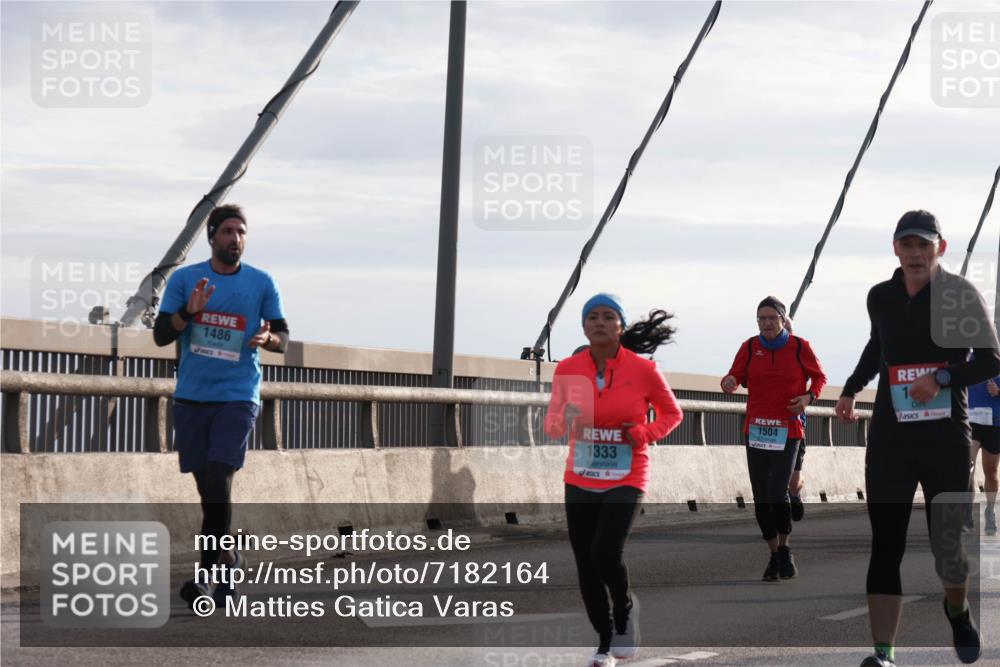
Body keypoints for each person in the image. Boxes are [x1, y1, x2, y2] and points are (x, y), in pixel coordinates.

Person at [835, 210, 1000, 667]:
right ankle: (883, 654)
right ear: (895, 249)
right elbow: (878, 346)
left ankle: (957, 609)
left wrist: (942, 377)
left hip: (945, 438)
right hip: (891, 439)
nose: (915, 253)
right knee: (886, 543)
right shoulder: (881, 297)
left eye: (923, 245)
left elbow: (989, 361)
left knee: (948, 549)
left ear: (940, 248)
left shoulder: (959, 296)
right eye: (907, 245)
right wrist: (851, 388)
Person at [153, 204, 289, 608]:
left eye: (241, 232)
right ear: (212, 236)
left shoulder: (262, 283)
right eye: (228, 231)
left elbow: (283, 336)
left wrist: (269, 341)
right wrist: (188, 312)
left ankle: (206, 578)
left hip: (237, 395)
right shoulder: (186, 279)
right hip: (192, 396)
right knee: (208, 489)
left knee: (218, 481)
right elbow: (161, 336)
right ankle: (228, 558)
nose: (236, 239)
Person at [545, 293, 683, 667]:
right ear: (584, 327)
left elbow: (673, 414)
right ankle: (605, 641)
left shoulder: (644, 370)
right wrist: (566, 420)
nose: (600, 322)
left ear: (620, 326)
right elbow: (552, 422)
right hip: (581, 474)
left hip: (627, 473)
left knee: (605, 552)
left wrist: (643, 432)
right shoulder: (569, 369)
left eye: (608, 316)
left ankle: (622, 609)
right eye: (592, 317)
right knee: (585, 562)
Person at [721, 296, 827, 581]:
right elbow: (734, 375)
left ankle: (785, 548)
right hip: (756, 430)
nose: (767, 323)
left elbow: (819, 378)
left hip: (788, 430)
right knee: (761, 499)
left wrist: (808, 397)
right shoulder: (750, 346)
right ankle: (774, 553)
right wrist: (728, 381)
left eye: (772, 318)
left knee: (778, 493)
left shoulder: (800, 347)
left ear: (783, 321)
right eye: (762, 319)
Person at [967, 370, 999, 535]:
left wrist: (999, 392)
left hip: (994, 424)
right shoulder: (967, 358)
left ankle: (990, 510)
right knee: (967, 468)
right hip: (971, 422)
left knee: (991, 472)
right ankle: (967, 512)